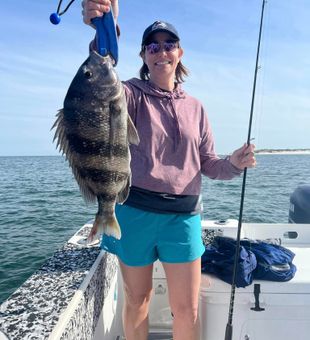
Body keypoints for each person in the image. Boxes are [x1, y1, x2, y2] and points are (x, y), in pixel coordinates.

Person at [82, 1, 256, 339]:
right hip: (133, 212)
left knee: (188, 310)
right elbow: (100, 83)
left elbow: (208, 164)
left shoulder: (197, 107)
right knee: (138, 299)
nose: (161, 51)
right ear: (144, 56)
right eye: (153, 46)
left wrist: (233, 163)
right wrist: (105, 27)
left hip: (183, 216)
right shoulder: (130, 94)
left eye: (168, 44)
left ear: (180, 52)